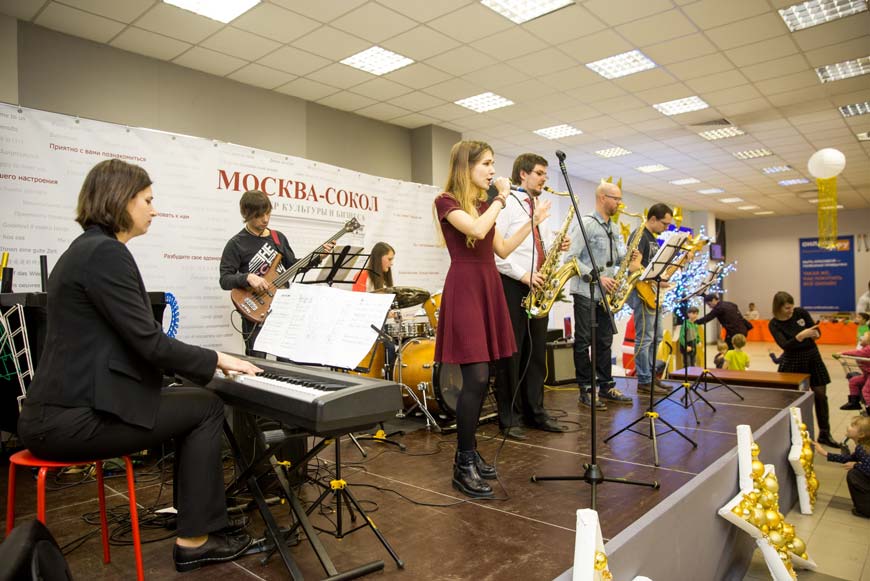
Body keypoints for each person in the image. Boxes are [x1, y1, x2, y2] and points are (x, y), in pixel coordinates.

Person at [16, 160, 262, 573]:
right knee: (205, 406)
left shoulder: (84, 250)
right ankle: (195, 539)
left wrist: (177, 374)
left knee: (190, 400)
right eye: (147, 200)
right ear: (121, 200)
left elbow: (124, 345)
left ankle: (200, 519)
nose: (154, 209)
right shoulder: (106, 253)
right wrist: (217, 359)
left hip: (52, 416)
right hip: (70, 422)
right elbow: (149, 343)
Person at [433, 140, 549, 498]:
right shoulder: (446, 202)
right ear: (466, 166)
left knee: (484, 378)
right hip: (466, 287)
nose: (492, 170)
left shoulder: (484, 206)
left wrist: (532, 223)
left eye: (493, 163)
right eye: (486, 163)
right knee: (477, 376)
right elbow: (476, 231)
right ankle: (462, 463)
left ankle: (470, 451)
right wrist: (502, 197)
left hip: (487, 286)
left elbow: (501, 248)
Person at [493, 153, 568, 439]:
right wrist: (524, 275)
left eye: (545, 174)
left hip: (538, 286)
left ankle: (535, 412)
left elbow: (539, 247)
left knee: (536, 354)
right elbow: (496, 253)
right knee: (512, 355)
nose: (544, 179)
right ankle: (509, 418)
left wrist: (557, 246)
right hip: (513, 284)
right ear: (523, 174)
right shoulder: (507, 204)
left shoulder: (538, 206)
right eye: (539, 173)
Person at [219, 190, 333, 355]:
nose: (265, 219)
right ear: (246, 214)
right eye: (259, 215)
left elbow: (293, 266)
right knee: (257, 359)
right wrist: (247, 277)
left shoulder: (278, 238)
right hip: (255, 308)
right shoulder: (236, 244)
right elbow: (225, 279)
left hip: (282, 306)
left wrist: (318, 257)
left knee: (286, 357)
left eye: (268, 213)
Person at [565, 181, 635, 410]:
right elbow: (571, 259)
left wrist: (629, 258)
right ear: (602, 198)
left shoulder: (614, 228)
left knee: (604, 341)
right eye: (616, 198)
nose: (619, 203)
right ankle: (586, 390)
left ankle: (606, 386)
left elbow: (616, 259)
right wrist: (598, 277)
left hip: (606, 296)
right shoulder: (585, 224)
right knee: (583, 341)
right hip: (586, 291)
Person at [769, 291, 838, 448]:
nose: (791, 311)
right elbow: (785, 345)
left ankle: (825, 433)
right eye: (787, 308)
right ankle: (796, 434)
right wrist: (800, 336)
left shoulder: (800, 313)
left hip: (812, 356)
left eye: (792, 307)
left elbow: (815, 330)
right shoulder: (774, 324)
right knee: (795, 400)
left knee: (821, 395)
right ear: (778, 308)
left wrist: (815, 334)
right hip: (792, 361)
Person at [627, 204, 674, 396]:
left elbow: (650, 267)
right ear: (653, 219)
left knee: (657, 337)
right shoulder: (639, 235)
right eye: (665, 224)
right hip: (642, 293)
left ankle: (652, 376)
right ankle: (644, 380)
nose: (666, 228)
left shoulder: (653, 238)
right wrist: (655, 279)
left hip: (652, 293)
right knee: (645, 338)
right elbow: (633, 267)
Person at [814, 416, 870, 518]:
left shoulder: (862, 450)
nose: (848, 427)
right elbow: (848, 458)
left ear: (861, 434)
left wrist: (855, 465)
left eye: (853, 426)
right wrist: (825, 453)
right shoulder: (862, 448)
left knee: (853, 475)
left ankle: (865, 509)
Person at [834, 331, 870, 411]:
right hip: (866, 375)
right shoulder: (865, 348)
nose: (861, 337)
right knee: (854, 381)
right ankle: (854, 402)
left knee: (866, 391)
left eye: (863, 336)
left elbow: (857, 353)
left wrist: (842, 353)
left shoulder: (868, 349)